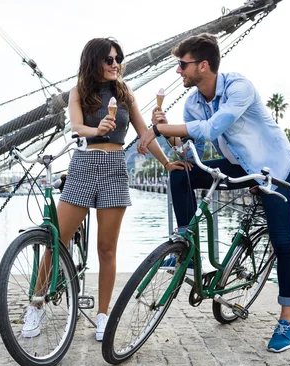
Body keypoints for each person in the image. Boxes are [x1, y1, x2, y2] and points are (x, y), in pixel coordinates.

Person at [137, 33, 290, 353]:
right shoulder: (193, 102)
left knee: (283, 242)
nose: (178, 71)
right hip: (238, 165)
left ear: (203, 65)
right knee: (181, 173)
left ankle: (288, 321)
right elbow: (187, 149)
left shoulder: (240, 87)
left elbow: (213, 128)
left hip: (272, 170)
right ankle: (185, 245)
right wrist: (167, 128)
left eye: (182, 65)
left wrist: (157, 130)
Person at [22, 38, 181, 341]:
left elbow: (145, 133)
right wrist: (97, 130)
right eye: (109, 59)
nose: (115, 64)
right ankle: (37, 304)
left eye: (118, 58)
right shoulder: (78, 92)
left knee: (106, 250)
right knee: (57, 241)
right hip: (83, 165)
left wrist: (166, 163)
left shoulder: (125, 93)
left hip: (115, 169)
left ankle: (103, 316)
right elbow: (78, 127)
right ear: (94, 61)